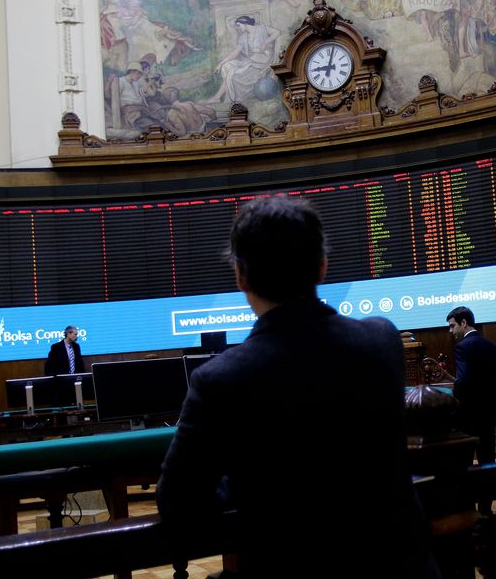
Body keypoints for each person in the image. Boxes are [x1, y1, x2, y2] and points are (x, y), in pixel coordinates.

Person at [156, 197, 438, 579]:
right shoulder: (382, 340)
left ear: (240, 276)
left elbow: (177, 502)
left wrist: (245, 488)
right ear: (322, 266)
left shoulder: (219, 379)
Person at [446, 306, 496, 513]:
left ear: (464, 323)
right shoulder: (491, 345)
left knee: (465, 463)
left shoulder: (462, 347)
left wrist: (455, 398)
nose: (451, 331)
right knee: (488, 462)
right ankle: (486, 509)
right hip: (488, 411)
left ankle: (468, 509)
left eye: (452, 326)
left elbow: (463, 382)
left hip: (468, 414)